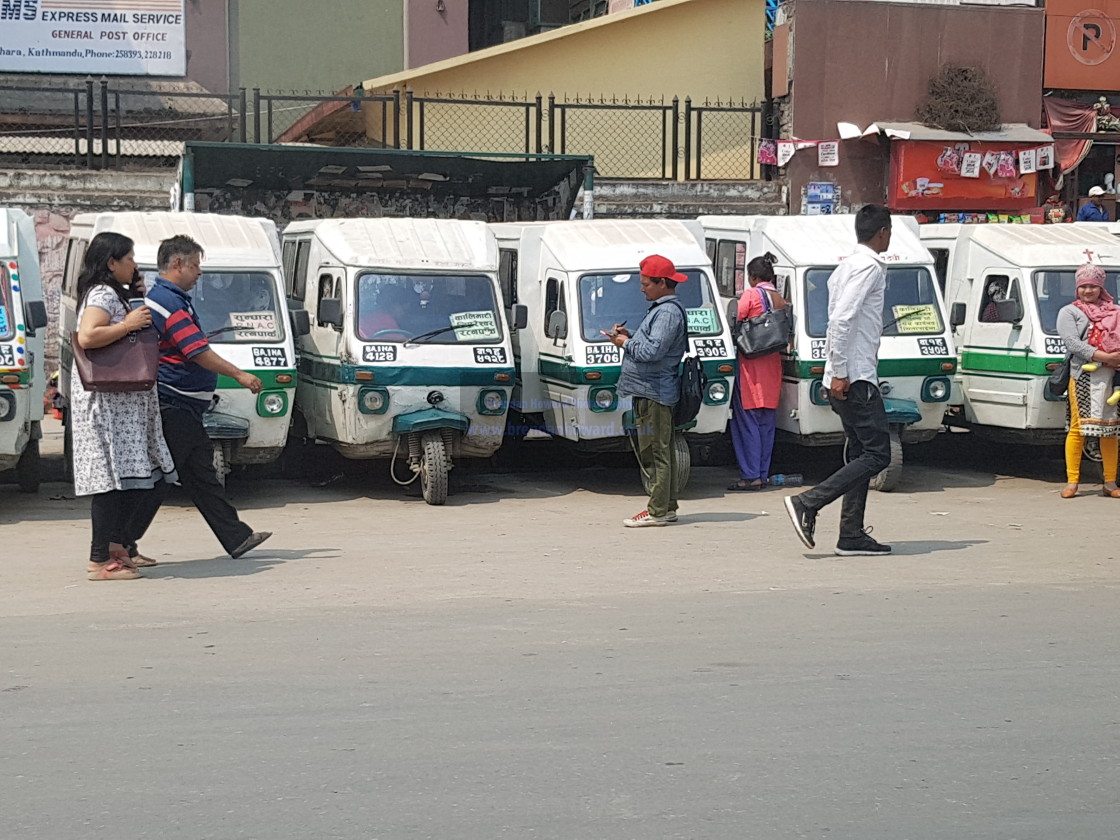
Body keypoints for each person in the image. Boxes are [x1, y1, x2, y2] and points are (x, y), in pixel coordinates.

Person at [144, 235, 272, 558]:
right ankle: (119, 542)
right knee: (158, 480)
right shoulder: (169, 303)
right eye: (196, 266)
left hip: (184, 405)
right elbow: (196, 351)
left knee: (201, 477)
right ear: (177, 264)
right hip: (175, 404)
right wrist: (239, 375)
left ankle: (236, 537)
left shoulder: (172, 299)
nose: (200, 273)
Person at [784, 205, 894, 556]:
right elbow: (842, 319)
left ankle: (851, 533)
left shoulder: (846, 265)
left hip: (849, 373)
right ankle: (809, 502)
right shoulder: (867, 267)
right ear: (882, 232)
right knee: (878, 455)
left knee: (861, 452)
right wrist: (841, 371)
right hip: (856, 376)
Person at [70, 232, 177, 581]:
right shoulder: (101, 293)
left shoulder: (116, 292)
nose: (134, 264)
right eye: (129, 258)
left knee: (142, 477)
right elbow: (88, 336)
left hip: (124, 406)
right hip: (106, 406)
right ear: (111, 262)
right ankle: (100, 559)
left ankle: (120, 547)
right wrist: (128, 323)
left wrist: (134, 297)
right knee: (110, 482)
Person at [607, 254, 689, 527]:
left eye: (646, 284)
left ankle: (656, 511)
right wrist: (628, 337)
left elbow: (653, 352)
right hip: (650, 390)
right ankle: (667, 507)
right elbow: (651, 344)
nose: (642, 288)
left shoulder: (666, 312)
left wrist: (624, 343)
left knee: (655, 452)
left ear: (662, 283)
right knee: (658, 450)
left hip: (655, 391)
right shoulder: (661, 309)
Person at [1056, 263, 1120, 498]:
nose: (1088, 291)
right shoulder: (1069, 312)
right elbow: (1073, 343)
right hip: (1082, 375)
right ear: (1077, 288)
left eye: (1093, 286)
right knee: (1078, 429)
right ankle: (1072, 481)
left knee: (1111, 430)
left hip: (1112, 376)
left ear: (1101, 287)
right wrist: (1105, 357)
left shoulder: (1115, 311)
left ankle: (1110, 483)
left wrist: (1115, 360)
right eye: (1084, 286)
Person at [728, 252, 786, 491]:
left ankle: (750, 475)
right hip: (772, 367)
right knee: (766, 424)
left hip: (750, 366)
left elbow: (736, 319)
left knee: (746, 423)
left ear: (752, 277)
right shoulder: (779, 299)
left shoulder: (751, 295)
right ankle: (762, 472)